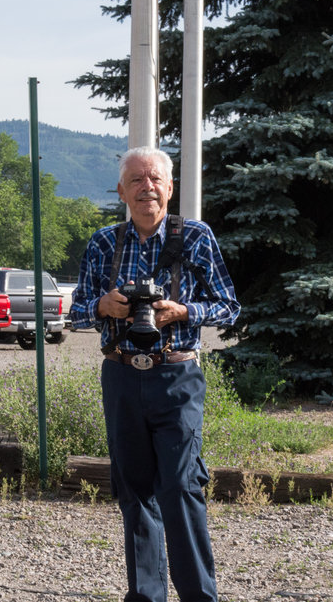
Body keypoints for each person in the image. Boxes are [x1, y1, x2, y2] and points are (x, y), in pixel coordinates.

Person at [70, 146, 240, 602]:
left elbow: (229, 306)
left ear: (170, 187)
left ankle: (199, 597)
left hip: (177, 378)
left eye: (155, 179)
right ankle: (146, 596)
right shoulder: (104, 242)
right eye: (137, 180)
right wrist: (102, 306)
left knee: (181, 487)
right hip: (122, 376)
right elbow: (76, 313)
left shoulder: (196, 237)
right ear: (122, 190)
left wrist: (183, 311)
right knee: (134, 489)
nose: (148, 188)